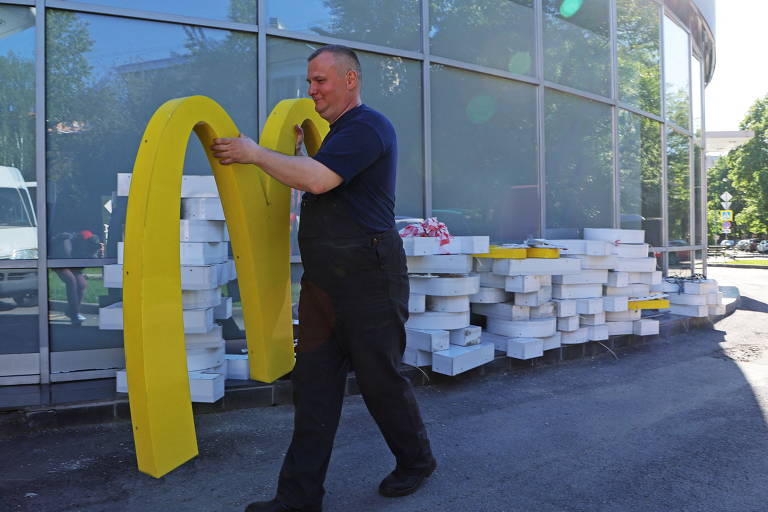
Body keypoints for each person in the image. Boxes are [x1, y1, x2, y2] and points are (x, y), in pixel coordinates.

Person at [211, 44, 436, 512]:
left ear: (350, 79)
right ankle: (298, 498)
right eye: (310, 82)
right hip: (323, 285)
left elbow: (319, 181)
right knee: (312, 388)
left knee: (380, 380)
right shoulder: (337, 136)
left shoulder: (369, 125)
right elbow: (317, 176)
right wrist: (289, 155)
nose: (311, 90)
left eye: (320, 80)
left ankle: (416, 461)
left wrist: (255, 153)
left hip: (369, 277)